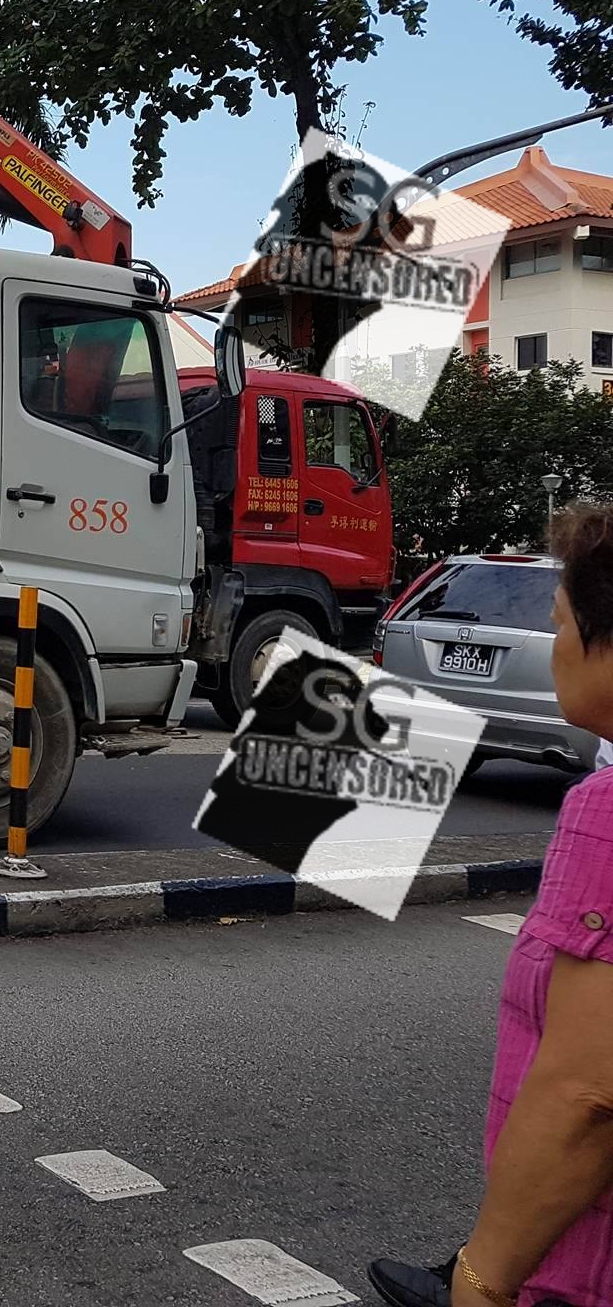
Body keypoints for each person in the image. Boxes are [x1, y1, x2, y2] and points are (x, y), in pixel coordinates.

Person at [370, 504, 613, 1307]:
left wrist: (482, 1280)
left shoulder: (604, 814)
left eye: (559, 620)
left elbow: (587, 1093)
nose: (554, 646)